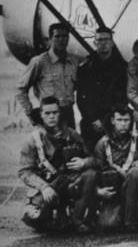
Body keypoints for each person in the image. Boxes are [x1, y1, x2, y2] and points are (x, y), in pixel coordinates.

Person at [18, 97, 97, 233]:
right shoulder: (33, 140)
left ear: (60, 114)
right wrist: (44, 187)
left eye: (55, 113)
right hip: (48, 185)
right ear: (41, 115)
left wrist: (84, 162)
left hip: (70, 183)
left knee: (90, 174)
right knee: (37, 220)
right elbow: (24, 172)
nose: (52, 117)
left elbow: (94, 158)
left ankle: (77, 220)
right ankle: (53, 217)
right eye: (47, 113)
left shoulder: (71, 134)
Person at [93, 104, 138, 232]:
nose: (123, 124)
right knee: (107, 225)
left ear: (131, 121)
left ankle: (133, 222)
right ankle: (123, 216)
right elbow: (96, 172)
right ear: (112, 121)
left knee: (136, 173)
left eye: (126, 120)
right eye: (119, 120)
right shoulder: (102, 144)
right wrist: (98, 191)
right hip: (115, 193)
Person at [17, 23, 80, 128]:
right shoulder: (39, 62)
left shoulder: (74, 61)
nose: (61, 40)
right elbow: (20, 89)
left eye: (65, 36)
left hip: (68, 114)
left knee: (72, 143)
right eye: (57, 36)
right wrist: (31, 113)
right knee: (48, 144)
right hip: (49, 115)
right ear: (49, 39)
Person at [76, 26, 128, 148]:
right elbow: (81, 99)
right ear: (95, 43)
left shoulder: (122, 69)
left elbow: (122, 99)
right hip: (91, 124)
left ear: (112, 42)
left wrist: (105, 121)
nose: (103, 43)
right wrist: (93, 119)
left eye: (106, 40)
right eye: (99, 40)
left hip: (113, 123)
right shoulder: (85, 68)